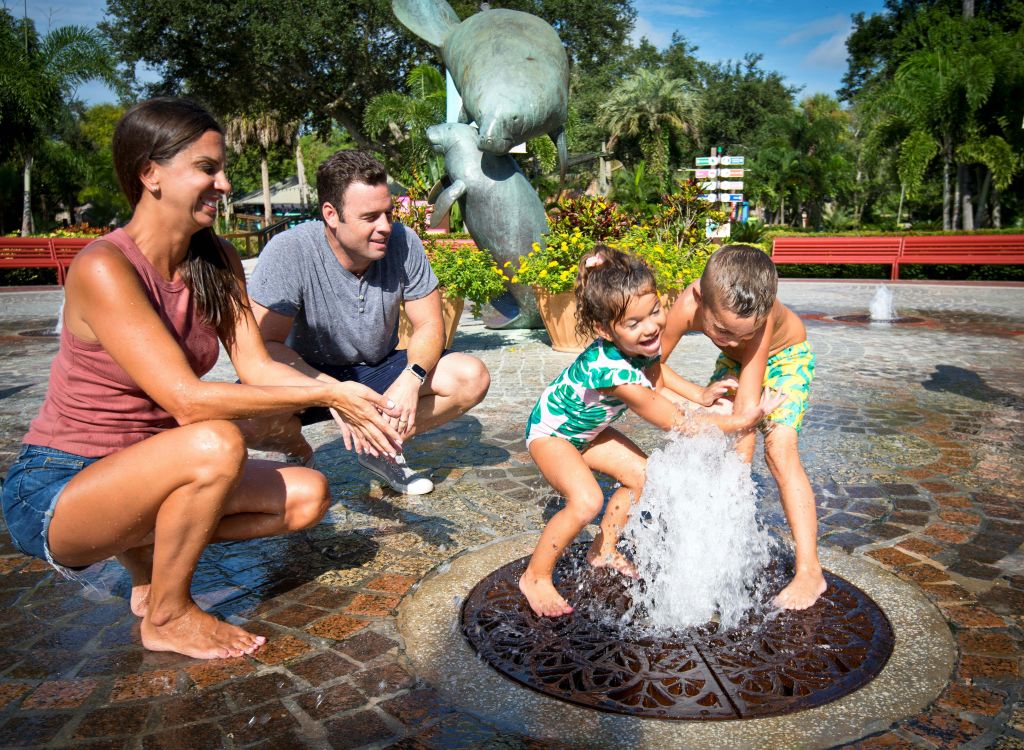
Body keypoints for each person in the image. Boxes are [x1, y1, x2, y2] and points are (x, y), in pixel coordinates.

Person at [0, 98, 403, 660]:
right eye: (207, 168)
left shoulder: (216, 259)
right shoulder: (104, 267)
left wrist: (297, 423)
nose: (223, 182)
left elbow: (257, 366)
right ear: (150, 174)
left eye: (222, 169)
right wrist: (332, 391)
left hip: (152, 468)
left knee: (307, 496)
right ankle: (167, 614)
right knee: (215, 442)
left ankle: (144, 555)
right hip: (59, 487)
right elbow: (186, 401)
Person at [520, 247, 786, 617]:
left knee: (646, 477)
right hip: (552, 434)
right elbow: (676, 422)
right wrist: (742, 420)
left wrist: (700, 393)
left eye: (654, 312)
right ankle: (536, 576)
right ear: (604, 330)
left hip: (589, 432)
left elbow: (656, 374)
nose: (650, 328)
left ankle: (604, 548)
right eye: (634, 323)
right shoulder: (611, 373)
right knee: (586, 501)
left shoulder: (638, 346)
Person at [243, 150, 490, 495]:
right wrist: (332, 393)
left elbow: (430, 325)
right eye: (370, 217)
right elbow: (264, 348)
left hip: (377, 369)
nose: (385, 227)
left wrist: (410, 378)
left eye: (388, 213)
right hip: (308, 374)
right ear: (331, 214)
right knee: (245, 417)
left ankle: (383, 448)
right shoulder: (289, 251)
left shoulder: (403, 242)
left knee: (470, 376)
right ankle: (299, 453)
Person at [660, 243, 825, 610]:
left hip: (786, 358)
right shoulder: (688, 306)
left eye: (741, 334)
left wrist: (734, 502)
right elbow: (648, 367)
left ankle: (810, 571)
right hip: (737, 363)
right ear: (701, 298)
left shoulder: (757, 324)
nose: (731, 339)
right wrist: (695, 398)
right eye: (721, 330)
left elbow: (746, 420)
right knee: (711, 425)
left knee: (779, 450)